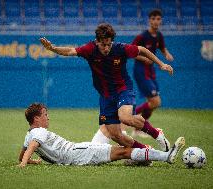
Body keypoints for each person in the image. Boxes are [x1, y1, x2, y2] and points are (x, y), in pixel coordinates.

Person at [39, 23, 173, 152]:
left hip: (123, 89)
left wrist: (161, 64)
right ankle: (145, 151)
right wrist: (53, 49)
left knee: (125, 117)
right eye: (103, 45)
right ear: (97, 42)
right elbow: (70, 51)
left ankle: (157, 134)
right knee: (116, 135)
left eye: (109, 44)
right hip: (106, 96)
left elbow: (142, 49)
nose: (107, 48)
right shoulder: (90, 49)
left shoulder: (120, 48)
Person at [18, 103, 185, 167]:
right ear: (36, 118)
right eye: (45, 114)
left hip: (76, 152)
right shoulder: (39, 131)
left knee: (113, 134)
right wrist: (24, 164)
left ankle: (143, 157)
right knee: (124, 151)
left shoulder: (29, 134)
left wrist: (28, 160)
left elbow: (23, 153)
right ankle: (164, 155)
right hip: (77, 153)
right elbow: (32, 146)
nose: (48, 117)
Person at [132, 9, 174, 122]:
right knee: (155, 102)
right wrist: (143, 58)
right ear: (149, 20)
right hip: (141, 71)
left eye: (158, 19)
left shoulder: (159, 36)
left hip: (151, 71)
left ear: (161, 20)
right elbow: (130, 53)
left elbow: (162, 47)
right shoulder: (142, 37)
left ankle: (139, 127)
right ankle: (130, 116)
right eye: (153, 19)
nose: (156, 21)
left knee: (153, 103)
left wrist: (167, 54)